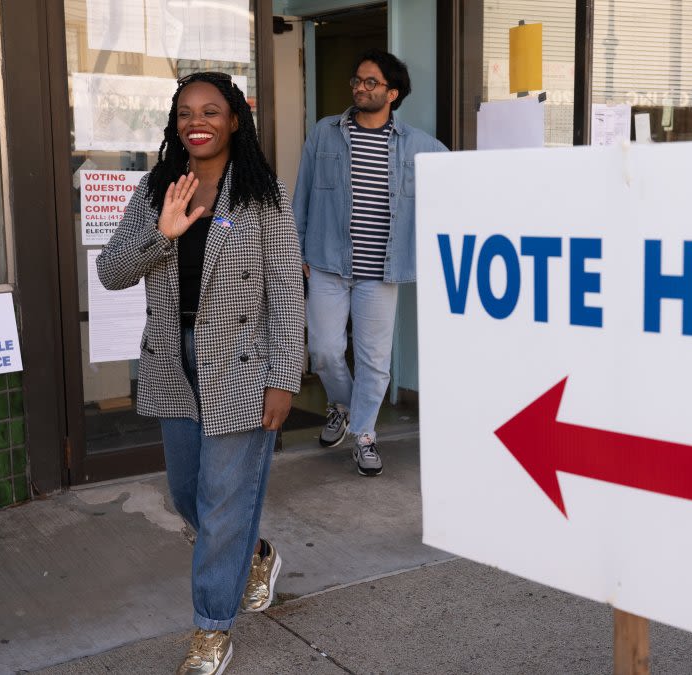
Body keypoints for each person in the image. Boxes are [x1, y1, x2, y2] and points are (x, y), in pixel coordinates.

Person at [96, 71, 304, 675]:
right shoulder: (158, 188)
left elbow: (286, 292)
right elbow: (111, 271)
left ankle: (212, 630)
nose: (198, 122)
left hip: (241, 362)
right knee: (188, 495)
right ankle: (256, 553)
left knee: (219, 505)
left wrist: (284, 376)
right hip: (172, 359)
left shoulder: (265, 197)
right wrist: (161, 236)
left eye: (212, 111)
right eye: (187, 112)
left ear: (235, 120)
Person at [293, 49, 447, 476]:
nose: (360, 88)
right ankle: (342, 404)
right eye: (357, 81)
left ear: (392, 93)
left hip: (382, 270)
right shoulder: (325, 133)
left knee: (375, 360)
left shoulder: (418, 144)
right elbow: (302, 194)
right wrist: (298, 249)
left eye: (370, 83)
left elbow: (454, 182)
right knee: (323, 350)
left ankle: (363, 433)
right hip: (326, 263)